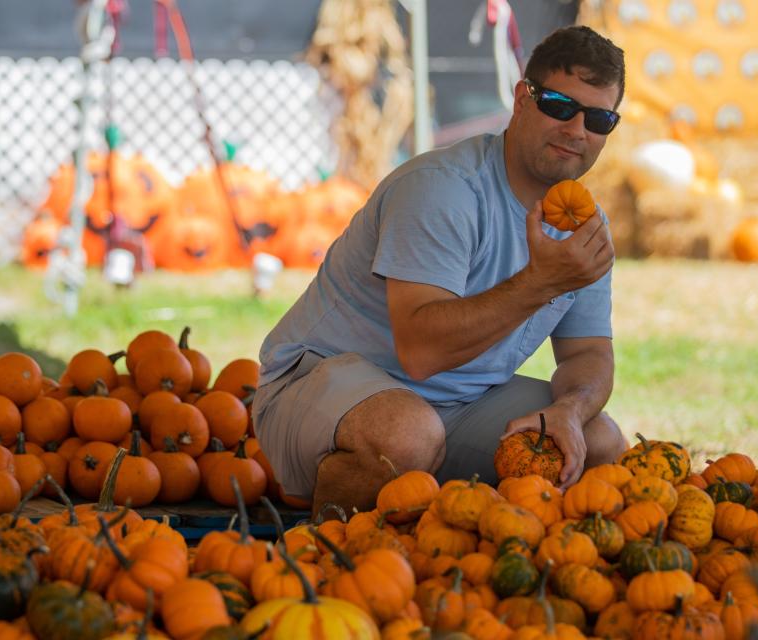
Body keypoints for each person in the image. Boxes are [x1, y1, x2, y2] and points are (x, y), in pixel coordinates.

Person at [252, 25, 630, 516]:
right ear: (522, 99)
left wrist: (569, 411)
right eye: (559, 105)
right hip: (319, 383)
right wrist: (542, 282)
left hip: (455, 406)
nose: (577, 130)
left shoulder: (583, 223)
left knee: (598, 441)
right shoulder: (444, 188)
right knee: (405, 437)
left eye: (599, 118)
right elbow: (421, 352)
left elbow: (588, 353)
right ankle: (325, 559)